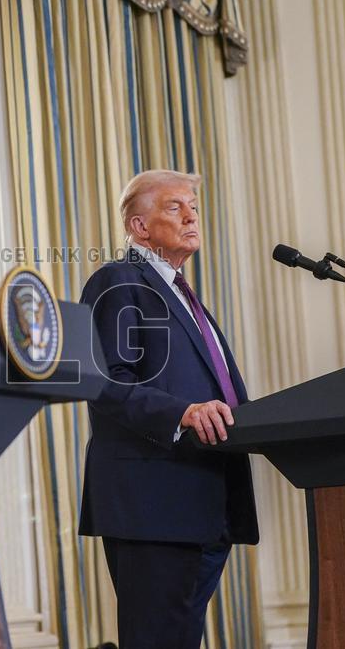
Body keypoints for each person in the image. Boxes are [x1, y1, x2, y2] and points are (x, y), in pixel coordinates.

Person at [79, 169, 258, 648]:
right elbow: (103, 383)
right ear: (139, 227)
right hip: (151, 502)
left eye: (193, 207)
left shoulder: (184, 295)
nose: (191, 215)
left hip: (204, 501)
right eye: (175, 206)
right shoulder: (118, 281)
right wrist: (182, 413)